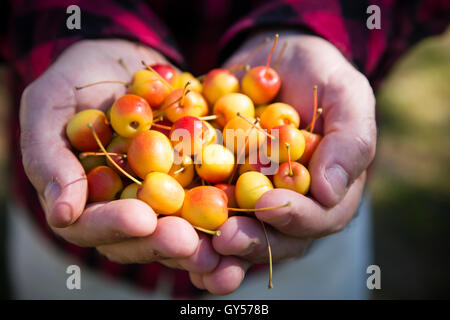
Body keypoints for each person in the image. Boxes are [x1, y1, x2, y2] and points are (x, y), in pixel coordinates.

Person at [1, 0, 447, 299]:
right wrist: (74, 31)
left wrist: (317, 29)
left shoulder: (270, 147)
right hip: (75, 265)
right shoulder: (129, 134)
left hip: (299, 269)